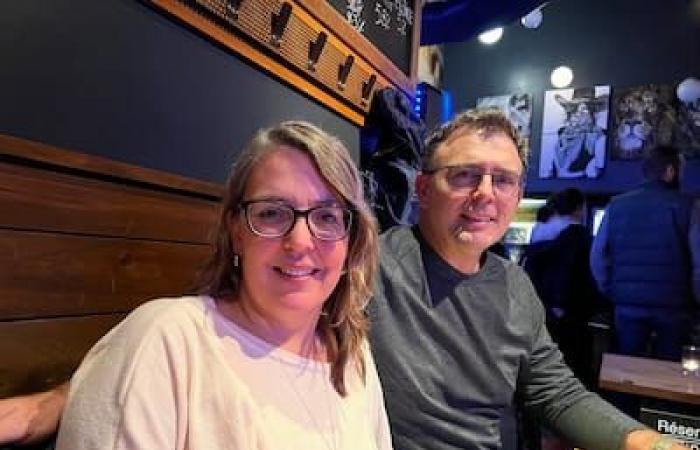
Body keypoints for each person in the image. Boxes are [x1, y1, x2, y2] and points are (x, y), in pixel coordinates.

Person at [0, 111, 688, 450]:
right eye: (463, 175)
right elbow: (187, 342)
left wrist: (645, 442)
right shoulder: (361, 268)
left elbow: (554, 391)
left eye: (502, 180)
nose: (484, 193)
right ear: (422, 189)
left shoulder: (513, 291)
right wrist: (56, 401)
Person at [11, 121, 392, 449]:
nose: (300, 242)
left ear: (351, 238)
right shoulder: (169, 340)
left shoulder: (352, 355)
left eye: (326, 216)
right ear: (236, 230)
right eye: (272, 214)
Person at [590, 145, 700, 361]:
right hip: (674, 306)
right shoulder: (689, 206)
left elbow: (598, 256)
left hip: (627, 304)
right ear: (670, 171)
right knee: (668, 377)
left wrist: (611, 290)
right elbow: (699, 260)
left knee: (626, 372)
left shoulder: (616, 205)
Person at [522, 188, 603, 388]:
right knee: (574, 363)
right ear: (579, 209)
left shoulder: (539, 232)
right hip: (570, 310)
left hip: (540, 309)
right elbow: (573, 272)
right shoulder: (578, 235)